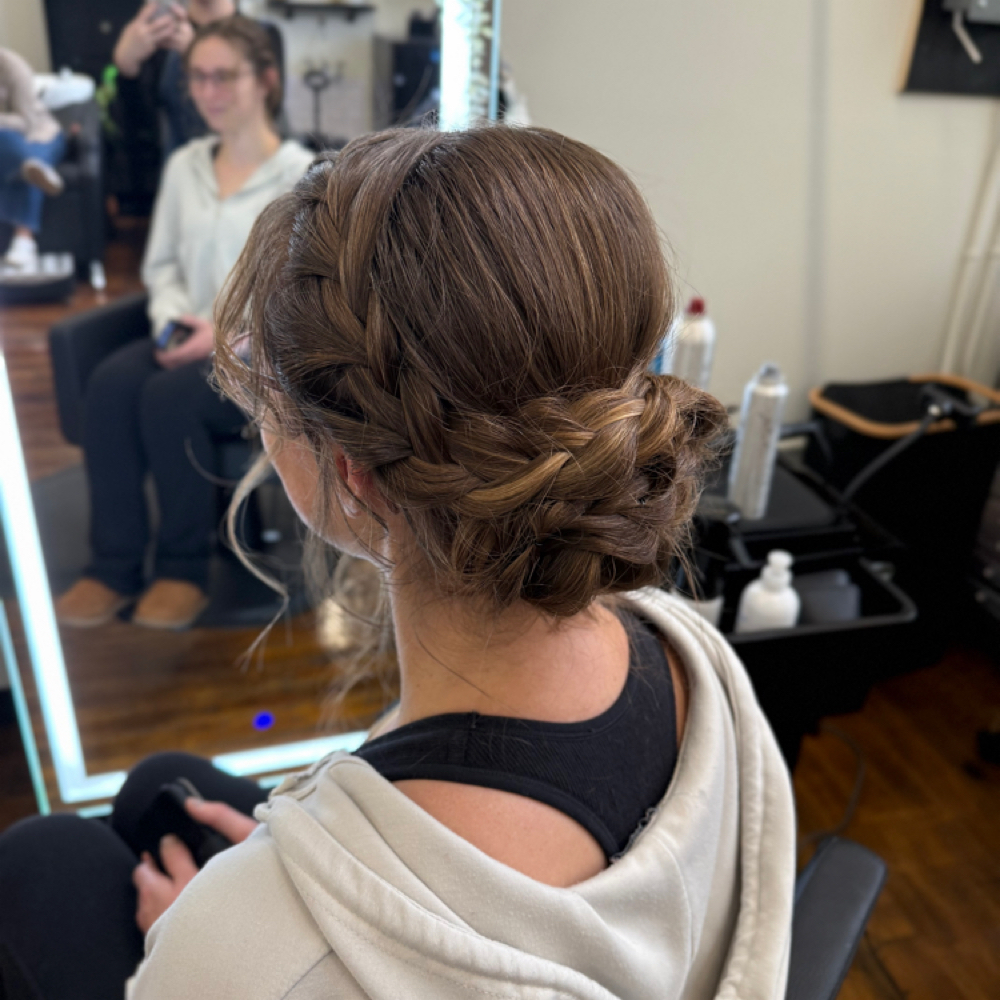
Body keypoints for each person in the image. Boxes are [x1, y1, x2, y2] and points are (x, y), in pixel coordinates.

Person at [0, 125, 796, 999]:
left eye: (266, 371)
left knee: (43, 858)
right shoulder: (692, 653)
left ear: (350, 475)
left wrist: (211, 942)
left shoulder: (236, 962)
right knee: (160, 786)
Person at [53, 15, 313, 631]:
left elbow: (297, 298)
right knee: (113, 385)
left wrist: (223, 340)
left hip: (262, 361)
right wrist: (173, 324)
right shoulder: (184, 167)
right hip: (184, 334)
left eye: (224, 76)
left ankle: (181, 570)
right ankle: (113, 567)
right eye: (198, 77)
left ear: (266, 81)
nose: (209, 92)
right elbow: (161, 266)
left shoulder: (302, 178)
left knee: (170, 400)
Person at [114, 0, 283, 159]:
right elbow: (140, 129)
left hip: (246, 169)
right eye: (199, 75)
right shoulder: (161, 37)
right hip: (176, 174)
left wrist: (196, 54)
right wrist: (127, 70)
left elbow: (269, 116)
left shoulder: (261, 36)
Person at [0, 47, 65, 273]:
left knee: (30, 163)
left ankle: (24, 238)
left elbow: (27, 122)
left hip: (39, 134)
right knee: (27, 167)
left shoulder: (12, 66)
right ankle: (26, 167)